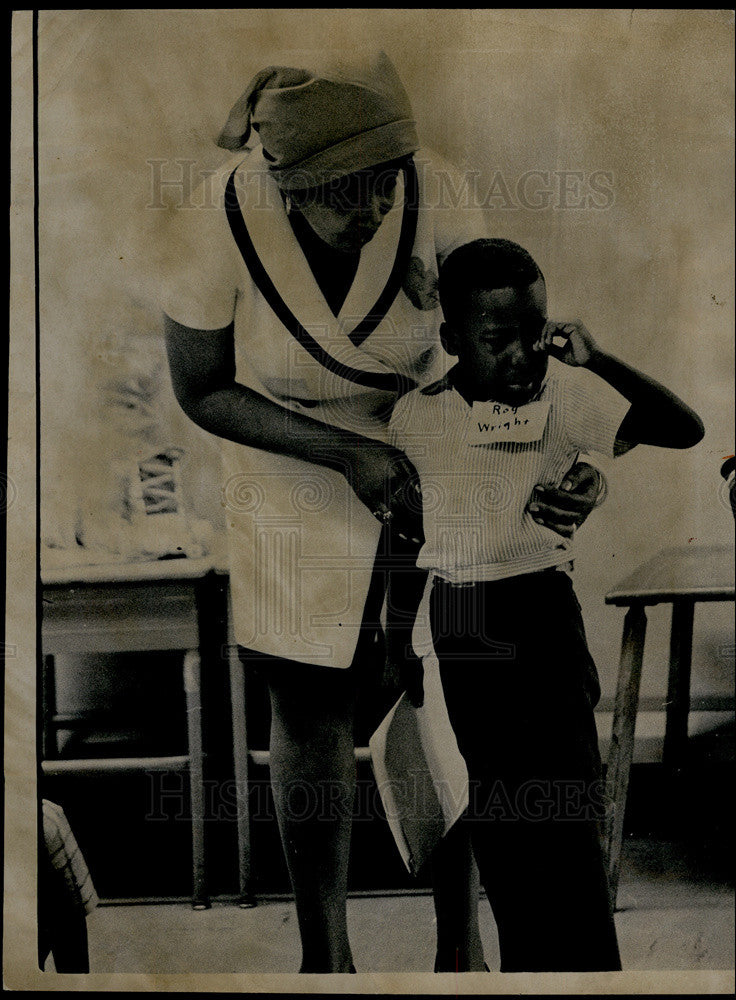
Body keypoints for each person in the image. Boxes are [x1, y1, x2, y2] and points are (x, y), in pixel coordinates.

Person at [162, 52, 605, 973]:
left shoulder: (434, 183)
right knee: (311, 695)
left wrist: (549, 464)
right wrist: (347, 452)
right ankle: (325, 955)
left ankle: (460, 940)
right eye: (347, 195)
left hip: (432, 440)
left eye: (385, 183)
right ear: (285, 185)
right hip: (287, 449)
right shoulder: (209, 215)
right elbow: (203, 389)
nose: (374, 208)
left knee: (447, 679)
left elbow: (492, 348)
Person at [385, 238, 704, 972]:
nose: (524, 354)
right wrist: (398, 637)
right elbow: (406, 538)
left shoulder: (562, 397)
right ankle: (529, 976)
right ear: (453, 341)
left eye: (537, 332)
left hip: (540, 612)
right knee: (501, 827)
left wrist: (596, 359)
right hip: (458, 622)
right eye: (498, 341)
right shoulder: (414, 418)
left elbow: (682, 428)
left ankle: (592, 977)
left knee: (565, 820)